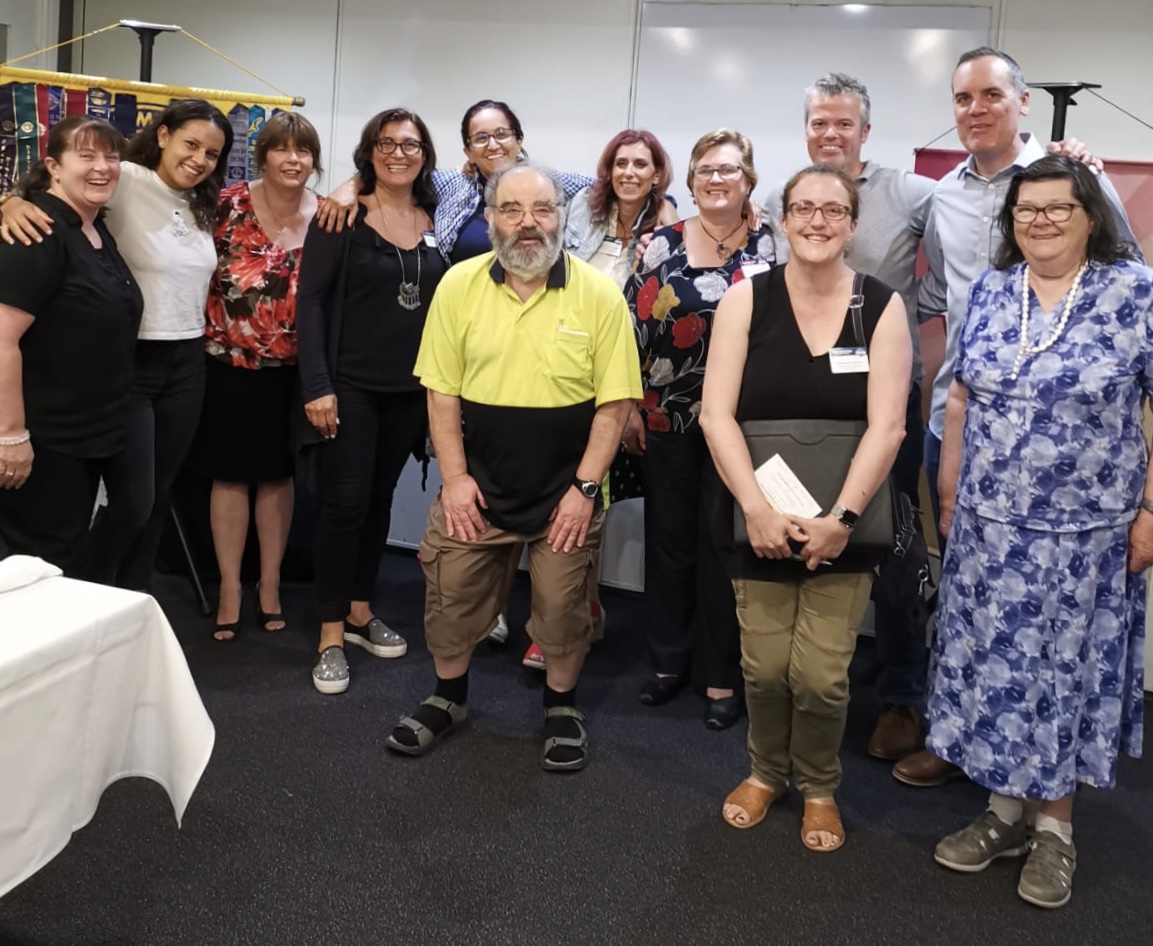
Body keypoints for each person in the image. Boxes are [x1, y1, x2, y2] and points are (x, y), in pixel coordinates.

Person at [896, 46, 1140, 788]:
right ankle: (955, 731)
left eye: (989, 95)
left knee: (1048, 620)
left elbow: (1117, 281)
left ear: (1021, 101)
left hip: (1069, 451)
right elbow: (939, 294)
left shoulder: (1078, 176)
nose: (974, 109)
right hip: (961, 420)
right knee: (959, 589)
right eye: (962, 97)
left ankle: (1040, 771)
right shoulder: (943, 197)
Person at [927, 155, 1148, 908]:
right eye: (1026, 210)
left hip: (1085, 536)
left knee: (1061, 676)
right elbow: (958, 398)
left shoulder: (1133, 294)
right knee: (990, 667)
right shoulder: (992, 290)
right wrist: (949, 494)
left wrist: (1151, 512)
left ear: (1090, 214)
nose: (1040, 221)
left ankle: (1054, 831)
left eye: (1058, 208)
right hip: (989, 528)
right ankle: (1002, 813)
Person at [385, 163, 641, 771]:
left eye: (542, 210)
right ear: (491, 217)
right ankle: (449, 699)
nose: (528, 224)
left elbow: (615, 403)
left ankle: (561, 706)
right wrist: (454, 479)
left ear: (562, 218)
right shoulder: (458, 285)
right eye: (511, 210)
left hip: (566, 492)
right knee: (452, 597)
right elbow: (441, 392)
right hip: (477, 481)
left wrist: (585, 489)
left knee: (561, 607)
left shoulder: (600, 294)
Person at [700, 164, 910, 851]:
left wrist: (841, 521)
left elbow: (888, 427)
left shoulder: (880, 307)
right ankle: (765, 773)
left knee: (818, 676)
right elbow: (714, 415)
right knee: (761, 667)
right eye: (802, 209)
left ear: (852, 224)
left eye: (832, 210)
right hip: (753, 513)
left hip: (844, 521)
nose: (816, 221)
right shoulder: (744, 301)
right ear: (782, 219)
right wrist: (757, 510)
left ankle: (817, 785)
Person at [763, 73, 935, 761]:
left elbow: (997, 205)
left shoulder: (911, 193)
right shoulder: (787, 196)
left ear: (866, 129)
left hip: (885, 404)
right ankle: (804, 677)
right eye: (817, 123)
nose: (829, 134)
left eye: (843, 123)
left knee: (892, 550)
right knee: (800, 526)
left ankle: (900, 693)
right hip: (802, 405)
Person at [0, 98, 232, 592]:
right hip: (128, 365)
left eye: (212, 153)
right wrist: (10, 200)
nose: (199, 159)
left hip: (185, 360)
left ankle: (126, 603)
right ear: (163, 135)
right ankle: (83, 590)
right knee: (126, 501)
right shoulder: (120, 178)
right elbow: (43, 192)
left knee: (149, 500)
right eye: (191, 143)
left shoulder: (205, 201)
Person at [624, 128, 778, 731]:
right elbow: (632, 332)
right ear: (690, 181)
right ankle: (666, 663)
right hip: (667, 417)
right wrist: (633, 406)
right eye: (706, 170)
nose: (717, 179)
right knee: (667, 543)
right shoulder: (659, 246)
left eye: (730, 170)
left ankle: (721, 674)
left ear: (749, 181)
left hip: (741, 427)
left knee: (725, 548)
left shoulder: (773, 246)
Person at [296, 107, 448, 695]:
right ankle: (330, 632)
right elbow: (310, 303)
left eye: (411, 144)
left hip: (410, 389)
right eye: (386, 143)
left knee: (379, 502)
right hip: (348, 386)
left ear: (425, 155)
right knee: (344, 505)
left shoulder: (436, 215)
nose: (399, 153)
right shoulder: (341, 216)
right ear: (370, 151)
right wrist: (317, 385)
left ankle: (360, 610)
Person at [190, 112, 323, 640]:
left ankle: (268, 584)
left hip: (292, 372)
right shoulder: (225, 204)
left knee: (276, 477)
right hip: (227, 363)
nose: (294, 160)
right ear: (262, 155)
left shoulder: (330, 214)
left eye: (305, 151)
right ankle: (229, 586)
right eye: (282, 150)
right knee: (229, 476)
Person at [0, 117, 143, 575]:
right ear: (53, 167)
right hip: (47, 436)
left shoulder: (96, 231)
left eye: (111, 156)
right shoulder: (37, 232)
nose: (102, 167)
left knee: (94, 539)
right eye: (86, 155)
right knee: (43, 565)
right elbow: (2, 339)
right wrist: (12, 436)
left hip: (95, 427)